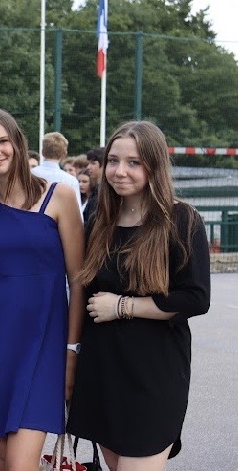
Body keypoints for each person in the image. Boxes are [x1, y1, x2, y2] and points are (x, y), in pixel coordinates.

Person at [67, 121, 210, 469]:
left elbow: (195, 297)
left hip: (154, 373)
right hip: (101, 370)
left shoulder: (181, 219)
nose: (120, 171)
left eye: (133, 162)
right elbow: (81, 289)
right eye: (113, 161)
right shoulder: (99, 219)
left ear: (154, 165)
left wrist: (122, 306)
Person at [0, 108, 85, 470]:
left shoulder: (59, 196)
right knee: (2, 461)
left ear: (17, 143)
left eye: (2, 141)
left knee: (19, 464)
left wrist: (72, 349)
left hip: (45, 342)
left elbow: (78, 281)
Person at [32, 132, 82, 211]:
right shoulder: (71, 181)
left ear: (42, 152)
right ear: (64, 154)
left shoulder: (28, 175)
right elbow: (77, 212)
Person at [83, 147, 104, 223]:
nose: (88, 167)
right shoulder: (96, 189)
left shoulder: (106, 192)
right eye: (89, 163)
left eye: (93, 163)